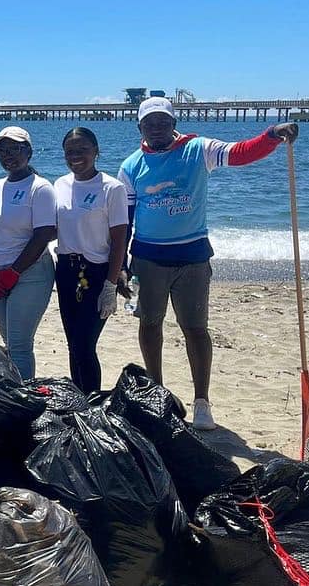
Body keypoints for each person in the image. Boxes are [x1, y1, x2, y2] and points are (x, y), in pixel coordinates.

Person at [119, 96, 299, 430]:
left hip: (193, 258)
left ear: (173, 123)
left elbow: (242, 152)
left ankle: (202, 402)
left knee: (196, 328)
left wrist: (272, 134)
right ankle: (157, 392)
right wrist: (121, 264)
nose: (157, 128)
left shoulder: (198, 149)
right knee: (149, 324)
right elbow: (125, 219)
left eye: (163, 121)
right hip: (147, 259)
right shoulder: (131, 166)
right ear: (140, 127)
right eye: (150, 123)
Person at [0, 126, 57, 379]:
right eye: (3, 150)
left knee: (20, 346)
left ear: (29, 151)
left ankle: (24, 403)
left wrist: (14, 272)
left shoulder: (40, 187)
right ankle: (16, 396)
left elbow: (43, 235)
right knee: (9, 343)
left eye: (16, 149)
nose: (9, 155)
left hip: (30, 274)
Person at [54, 127, 130, 394]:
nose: (76, 156)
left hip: (97, 273)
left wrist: (111, 284)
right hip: (65, 271)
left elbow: (120, 240)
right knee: (72, 343)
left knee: (84, 344)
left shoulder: (112, 188)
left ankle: (92, 403)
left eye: (83, 150)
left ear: (96, 151)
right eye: (70, 151)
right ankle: (79, 401)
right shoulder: (60, 185)